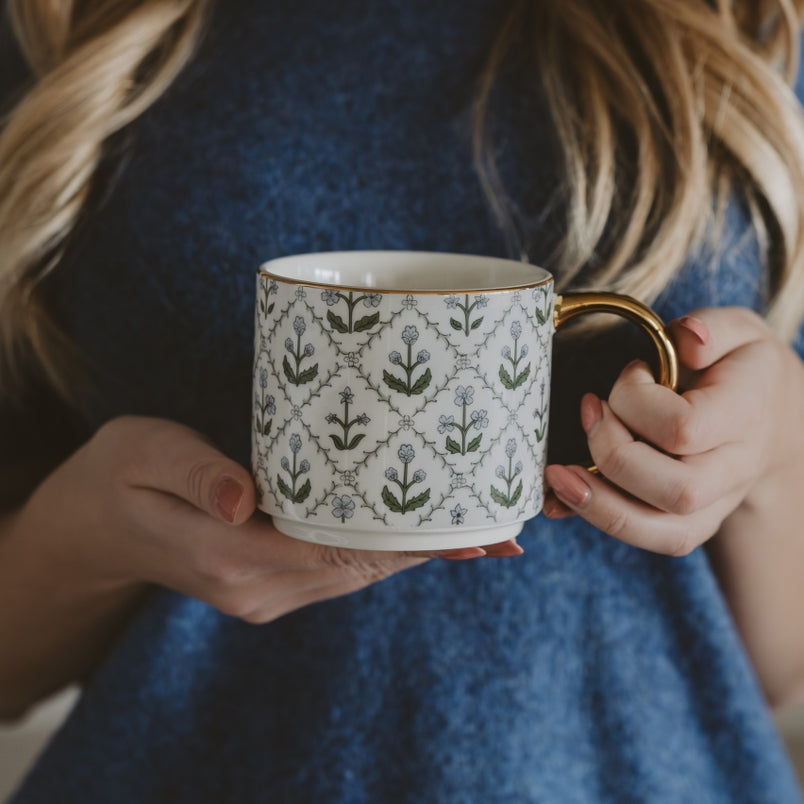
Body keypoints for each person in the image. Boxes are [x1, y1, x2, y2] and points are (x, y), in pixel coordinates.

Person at [1, 0, 804, 801]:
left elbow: (773, 669)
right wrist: (92, 536)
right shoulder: (63, 26)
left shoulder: (738, 22)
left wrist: (776, 452)